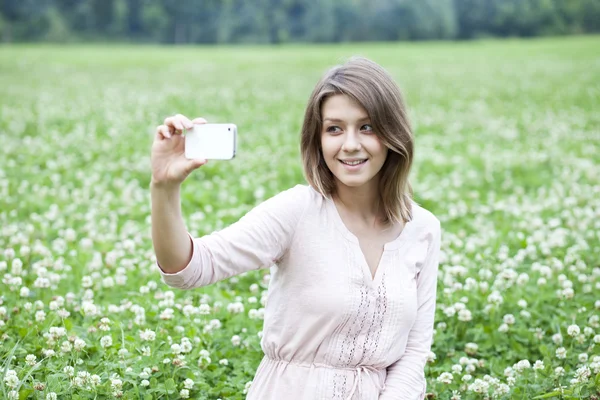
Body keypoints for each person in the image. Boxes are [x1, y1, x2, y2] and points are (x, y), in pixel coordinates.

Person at [150, 56, 442, 400]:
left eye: (367, 127)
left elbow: (413, 353)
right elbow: (189, 269)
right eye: (334, 128)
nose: (350, 144)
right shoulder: (297, 211)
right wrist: (164, 187)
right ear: (316, 140)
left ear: (393, 133)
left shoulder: (422, 229)